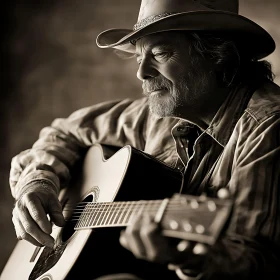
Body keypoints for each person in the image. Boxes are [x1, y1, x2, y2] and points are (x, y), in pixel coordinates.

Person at [9, 0, 280, 279]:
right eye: (139, 58)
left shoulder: (269, 127)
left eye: (160, 53)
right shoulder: (162, 113)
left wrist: (188, 260)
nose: (142, 72)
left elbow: (259, 260)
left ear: (219, 54)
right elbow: (63, 132)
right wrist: (39, 182)